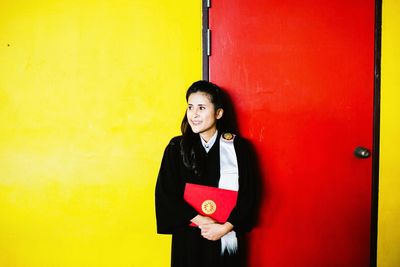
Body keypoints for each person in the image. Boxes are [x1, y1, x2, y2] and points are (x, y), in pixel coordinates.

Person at [155, 80, 257, 267]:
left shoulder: (237, 148)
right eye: (190, 107)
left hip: (225, 236)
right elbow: (166, 193)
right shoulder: (176, 148)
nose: (194, 114)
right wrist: (202, 221)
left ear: (218, 113)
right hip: (189, 238)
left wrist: (224, 228)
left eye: (201, 108)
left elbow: (249, 195)